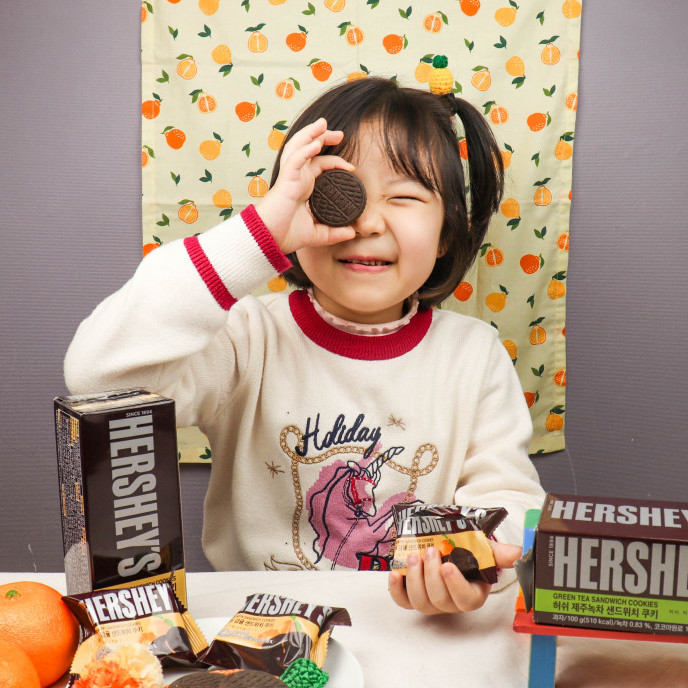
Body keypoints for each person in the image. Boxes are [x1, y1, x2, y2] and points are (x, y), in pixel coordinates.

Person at [65, 77, 544, 615]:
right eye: (339, 192)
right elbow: (98, 379)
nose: (367, 222)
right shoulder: (246, 339)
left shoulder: (474, 355)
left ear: (447, 235)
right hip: (255, 626)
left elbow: (509, 500)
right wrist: (259, 233)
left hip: (418, 625)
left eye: (404, 197)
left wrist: (473, 569)